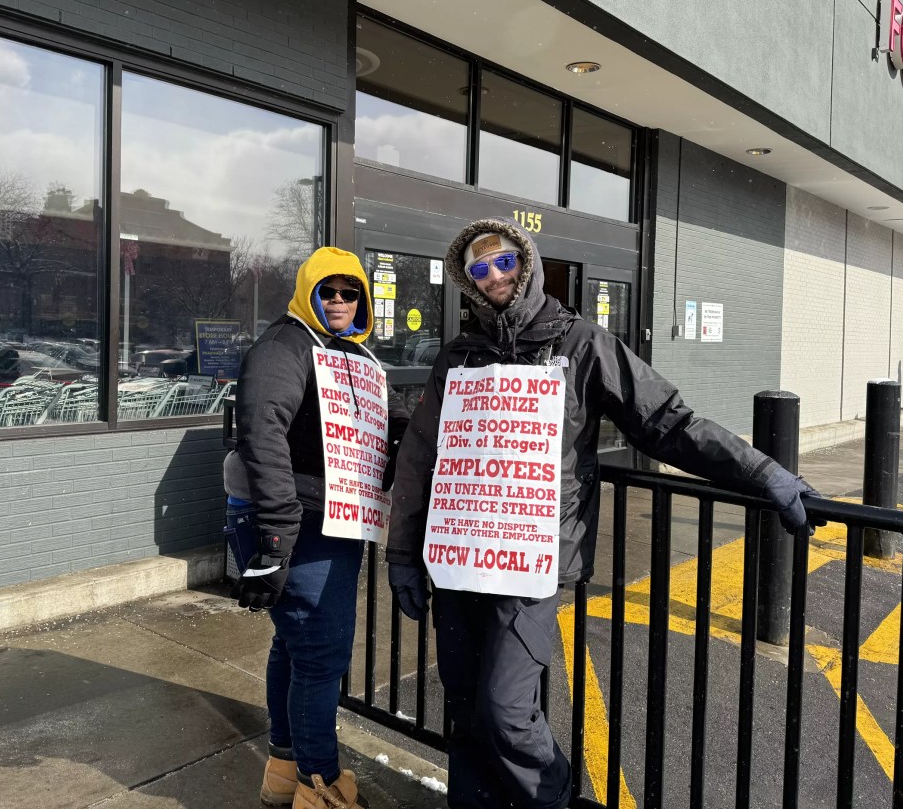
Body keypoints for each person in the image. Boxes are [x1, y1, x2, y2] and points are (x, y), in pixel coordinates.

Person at [385, 218, 820, 809]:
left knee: (506, 709)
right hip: (460, 555)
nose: (493, 276)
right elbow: (420, 457)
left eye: (504, 261)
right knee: (464, 705)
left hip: (534, 559)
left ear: (528, 263)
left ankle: (556, 799)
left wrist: (759, 470)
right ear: (467, 281)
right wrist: (403, 554)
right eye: (479, 268)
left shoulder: (582, 343)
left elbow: (669, 423)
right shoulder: (458, 357)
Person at [224, 246, 410, 809]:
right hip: (298, 518)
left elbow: (392, 415)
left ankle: (285, 771)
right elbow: (264, 435)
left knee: (297, 646)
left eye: (349, 292)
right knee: (322, 654)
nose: (338, 300)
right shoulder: (285, 346)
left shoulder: (354, 355)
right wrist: (277, 539)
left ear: (363, 301)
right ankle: (320, 784)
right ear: (307, 290)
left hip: (333, 516)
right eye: (327, 290)